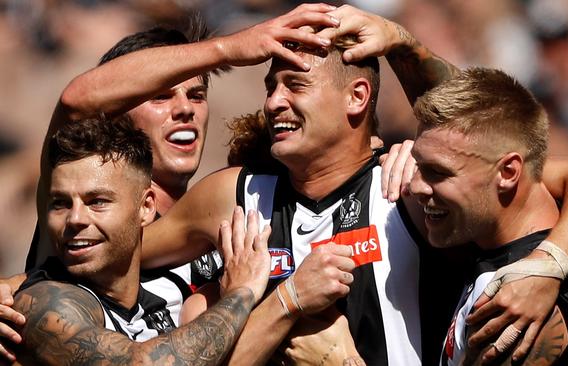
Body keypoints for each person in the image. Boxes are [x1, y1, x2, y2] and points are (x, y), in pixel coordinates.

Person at [129, 5, 568, 365]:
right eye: (270, 87)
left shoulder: (413, 187)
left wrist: (545, 267)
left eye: (295, 85)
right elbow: (108, 252)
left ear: (357, 97)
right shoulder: (237, 196)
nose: (273, 103)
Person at [0, 3, 345, 362]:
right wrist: (228, 49)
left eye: (197, 96)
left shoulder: (232, 228)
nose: (185, 109)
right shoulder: (80, 230)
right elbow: (76, 103)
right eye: (162, 96)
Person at [408, 67, 568, 365]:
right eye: (418, 165)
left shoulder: (513, 304)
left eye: (437, 172)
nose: (415, 186)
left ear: (508, 173)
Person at [10, 115, 272, 365]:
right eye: (60, 203)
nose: (75, 218)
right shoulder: (45, 303)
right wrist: (243, 293)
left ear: (146, 208)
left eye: (97, 202)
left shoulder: (165, 299)